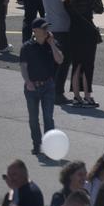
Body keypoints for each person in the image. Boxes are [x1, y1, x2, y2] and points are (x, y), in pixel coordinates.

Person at [21, 17, 64, 155]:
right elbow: (23, 66)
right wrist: (28, 82)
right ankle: (37, 144)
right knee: (33, 119)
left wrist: (52, 44)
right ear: (35, 30)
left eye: (47, 28)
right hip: (32, 87)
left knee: (48, 117)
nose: (46, 30)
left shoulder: (52, 44)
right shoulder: (27, 47)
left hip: (48, 86)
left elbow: (60, 60)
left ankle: (49, 145)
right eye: (43, 28)